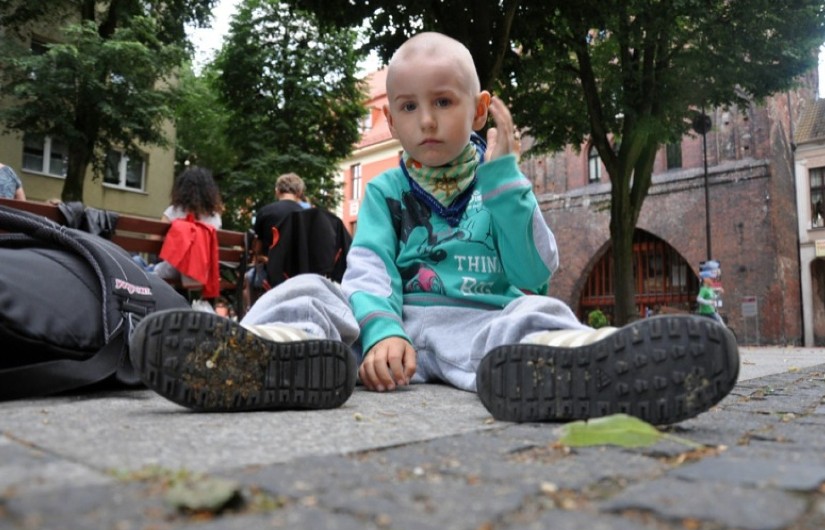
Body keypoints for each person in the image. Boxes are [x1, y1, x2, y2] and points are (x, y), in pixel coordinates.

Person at [130, 32, 739, 424]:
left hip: (479, 325)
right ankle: (263, 352)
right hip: (391, 329)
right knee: (311, 290)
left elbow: (533, 270)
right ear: (390, 114)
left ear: (478, 110)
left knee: (534, 314)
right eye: (409, 106)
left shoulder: (500, 183)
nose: (427, 120)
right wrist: (380, 333)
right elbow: (367, 265)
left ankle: (580, 362)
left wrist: (506, 180)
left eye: (444, 103)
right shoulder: (389, 190)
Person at [152, 167, 224, 296]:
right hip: (201, 272)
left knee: (137, 261)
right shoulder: (215, 218)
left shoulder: (173, 212)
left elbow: (152, 242)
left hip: (171, 270)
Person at [244, 173, 308, 308]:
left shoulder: (265, 212)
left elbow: (257, 248)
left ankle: (252, 316)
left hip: (270, 276)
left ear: (277, 192)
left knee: (248, 278)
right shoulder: (307, 215)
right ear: (299, 192)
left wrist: (262, 257)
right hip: (299, 277)